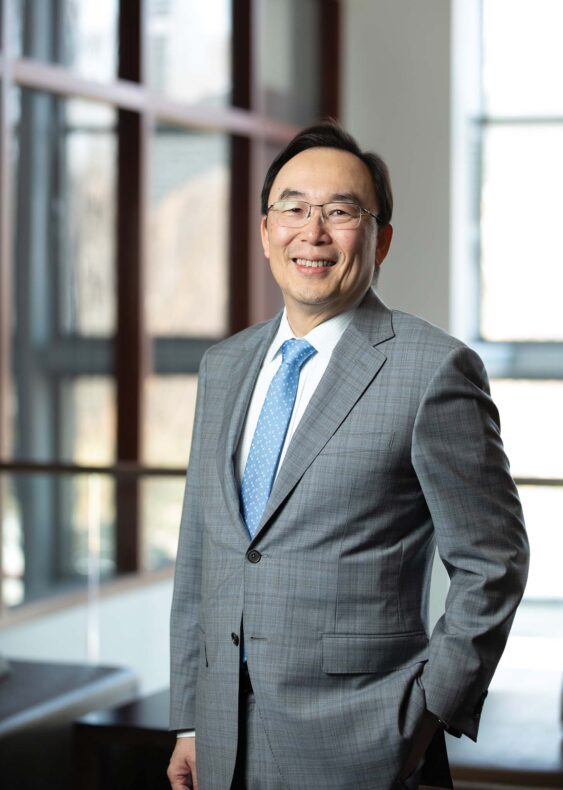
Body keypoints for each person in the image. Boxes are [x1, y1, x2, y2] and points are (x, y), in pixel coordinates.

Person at [167, 121, 529, 790]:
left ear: (380, 237)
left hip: (368, 748)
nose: (313, 232)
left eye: (340, 212)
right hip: (223, 746)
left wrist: (424, 713)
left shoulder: (432, 369)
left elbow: (493, 562)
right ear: (264, 228)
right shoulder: (224, 367)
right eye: (293, 208)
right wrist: (191, 721)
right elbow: (202, 554)